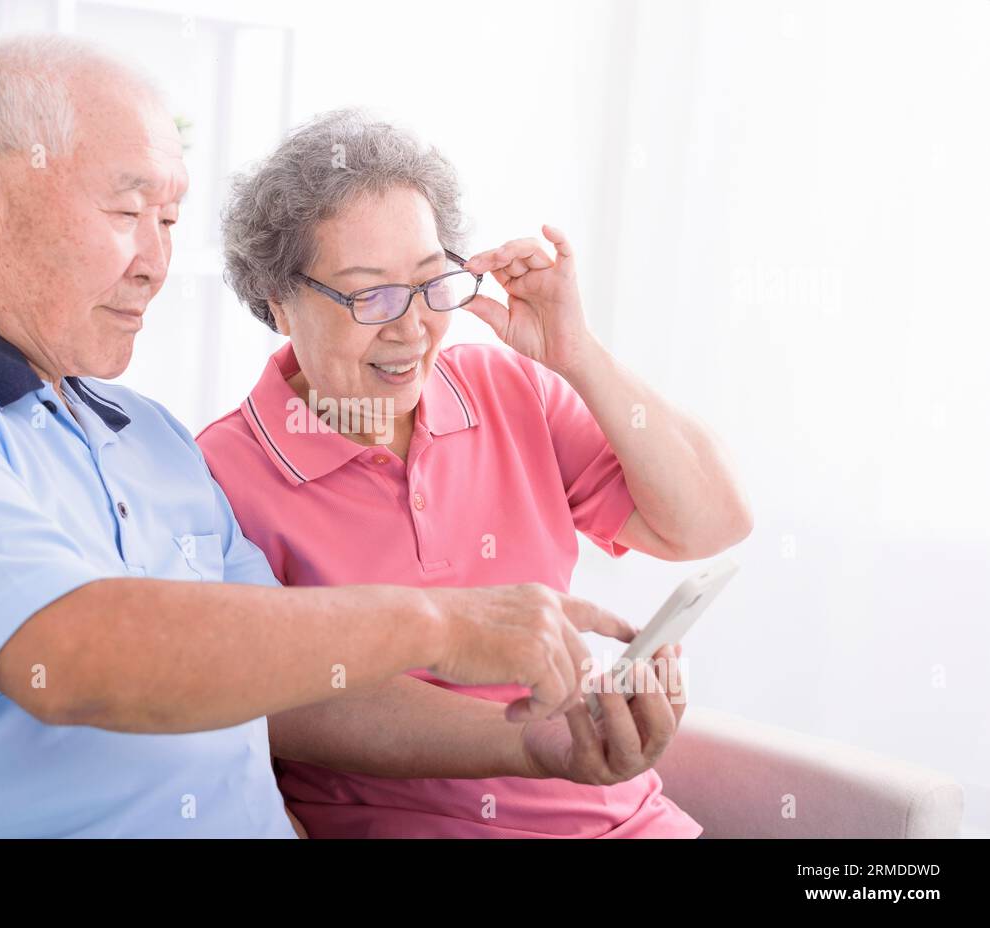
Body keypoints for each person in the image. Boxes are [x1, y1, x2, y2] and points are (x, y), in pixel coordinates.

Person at [0, 36, 636, 838]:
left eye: (170, 222)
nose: (156, 261)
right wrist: (442, 620)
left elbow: (303, 691)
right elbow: (75, 656)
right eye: (127, 212)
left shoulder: (150, 438)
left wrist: (536, 747)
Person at [196, 108, 754, 837]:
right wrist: (538, 742)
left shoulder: (503, 386)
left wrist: (578, 355)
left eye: (433, 284)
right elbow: (273, 700)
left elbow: (712, 522)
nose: (410, 327)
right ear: (279, 301)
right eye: (371, 295)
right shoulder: (220, 473)